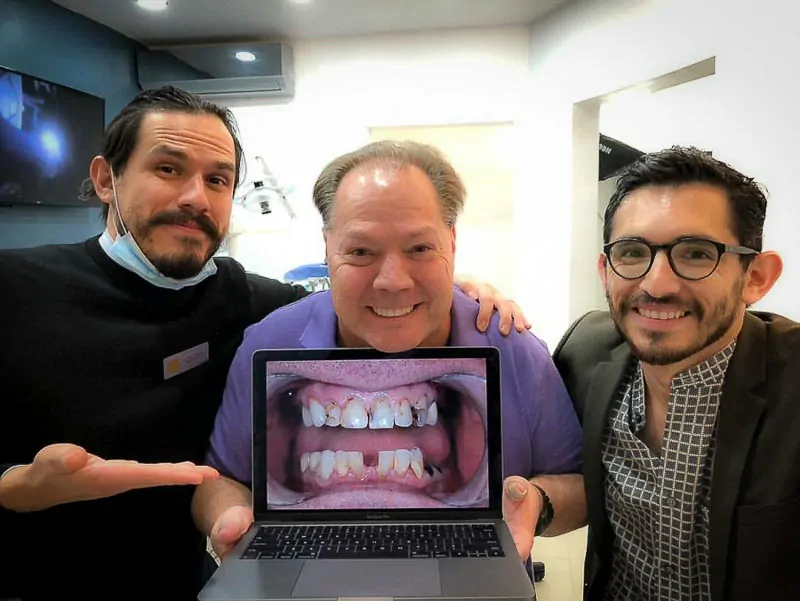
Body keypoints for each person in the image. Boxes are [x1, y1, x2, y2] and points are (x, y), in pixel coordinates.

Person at [0, 86, 532, 601]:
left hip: (196, 579)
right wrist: (18, 486)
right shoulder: (14, 288)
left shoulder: (255, 303)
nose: (194, 197)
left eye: (218, 179)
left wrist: (454, 289)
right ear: (105, 179)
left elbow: (364, 291)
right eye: (168, 169)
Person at [191, 140, 587, 573]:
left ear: (451, 244)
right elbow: (221, 479)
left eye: (419, 248)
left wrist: (538, 504)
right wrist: (227, 516)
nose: (393, 281)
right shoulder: (268, 342)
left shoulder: (513, 348)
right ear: (327, 250)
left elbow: (577, 484)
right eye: (361, 251)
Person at [504, 146, 797, 601]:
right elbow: (576, 482)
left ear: (755, 276)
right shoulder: (584, 352)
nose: (657, 284)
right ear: (605, 271)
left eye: (697, 253)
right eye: (633, 252)